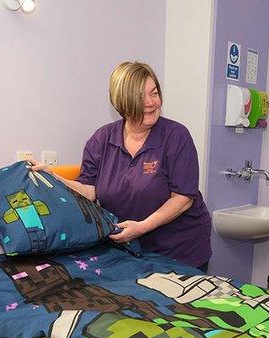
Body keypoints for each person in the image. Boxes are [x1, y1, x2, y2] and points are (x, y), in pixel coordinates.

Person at [30, 61, 212, 271]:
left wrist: (142, 227)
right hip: (131, 250)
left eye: (154, 93)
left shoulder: (176, 136)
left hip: (180, 250)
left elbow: (182, 199)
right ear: (123, 103)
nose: (151, 102)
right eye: (140, 97)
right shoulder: (102, 140)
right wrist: (53, 177)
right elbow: (89, 191)